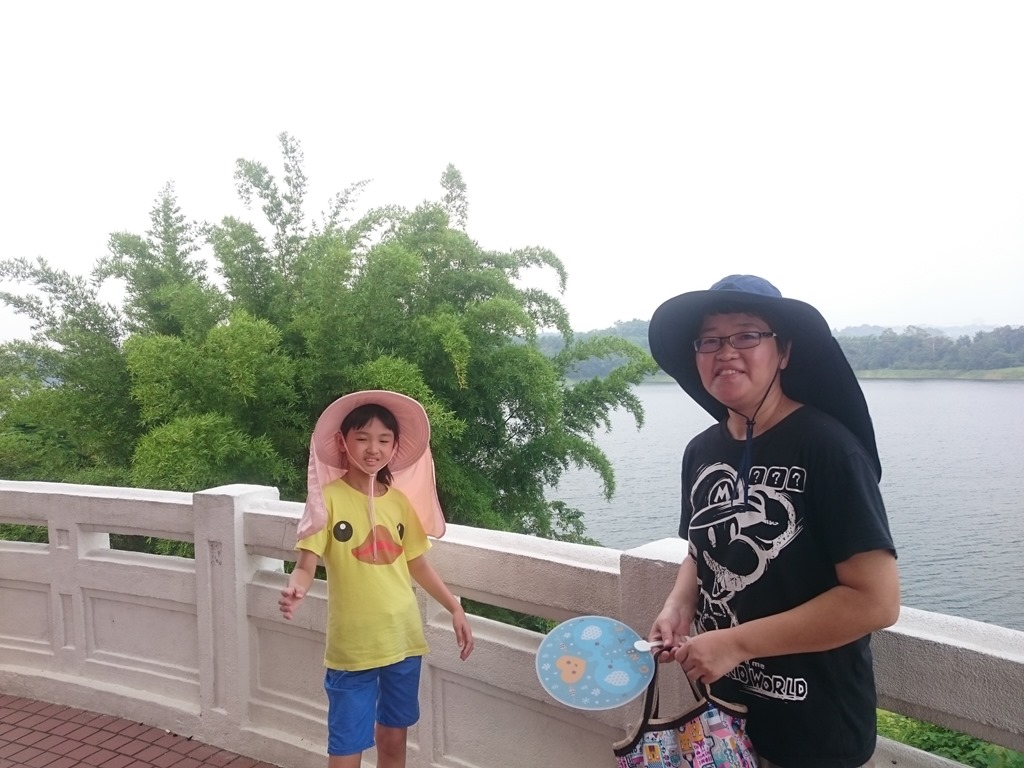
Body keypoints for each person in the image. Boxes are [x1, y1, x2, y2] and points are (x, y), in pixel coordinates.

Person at [646, 275, 900, 768]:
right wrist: (679, 604)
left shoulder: (828, 449)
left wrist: (736, 643)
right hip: (725, 722)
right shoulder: (702, 451)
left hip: (816, 731)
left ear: (783, 352)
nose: (726, 352)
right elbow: (700, 550)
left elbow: (876, 600)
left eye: (746, 335)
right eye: (709, 340)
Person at [279, 389, 474, 768]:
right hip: (352, 647)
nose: (373, 449)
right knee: (345, 747)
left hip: (403, 638)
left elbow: (417, 564)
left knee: (394, 738)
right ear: (343, 442)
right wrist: (296, 588)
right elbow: (306, 564)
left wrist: (455, 608)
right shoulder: (327, 499)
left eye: (384, 440)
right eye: (363, 438)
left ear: (394, 447)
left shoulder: (398, 502)